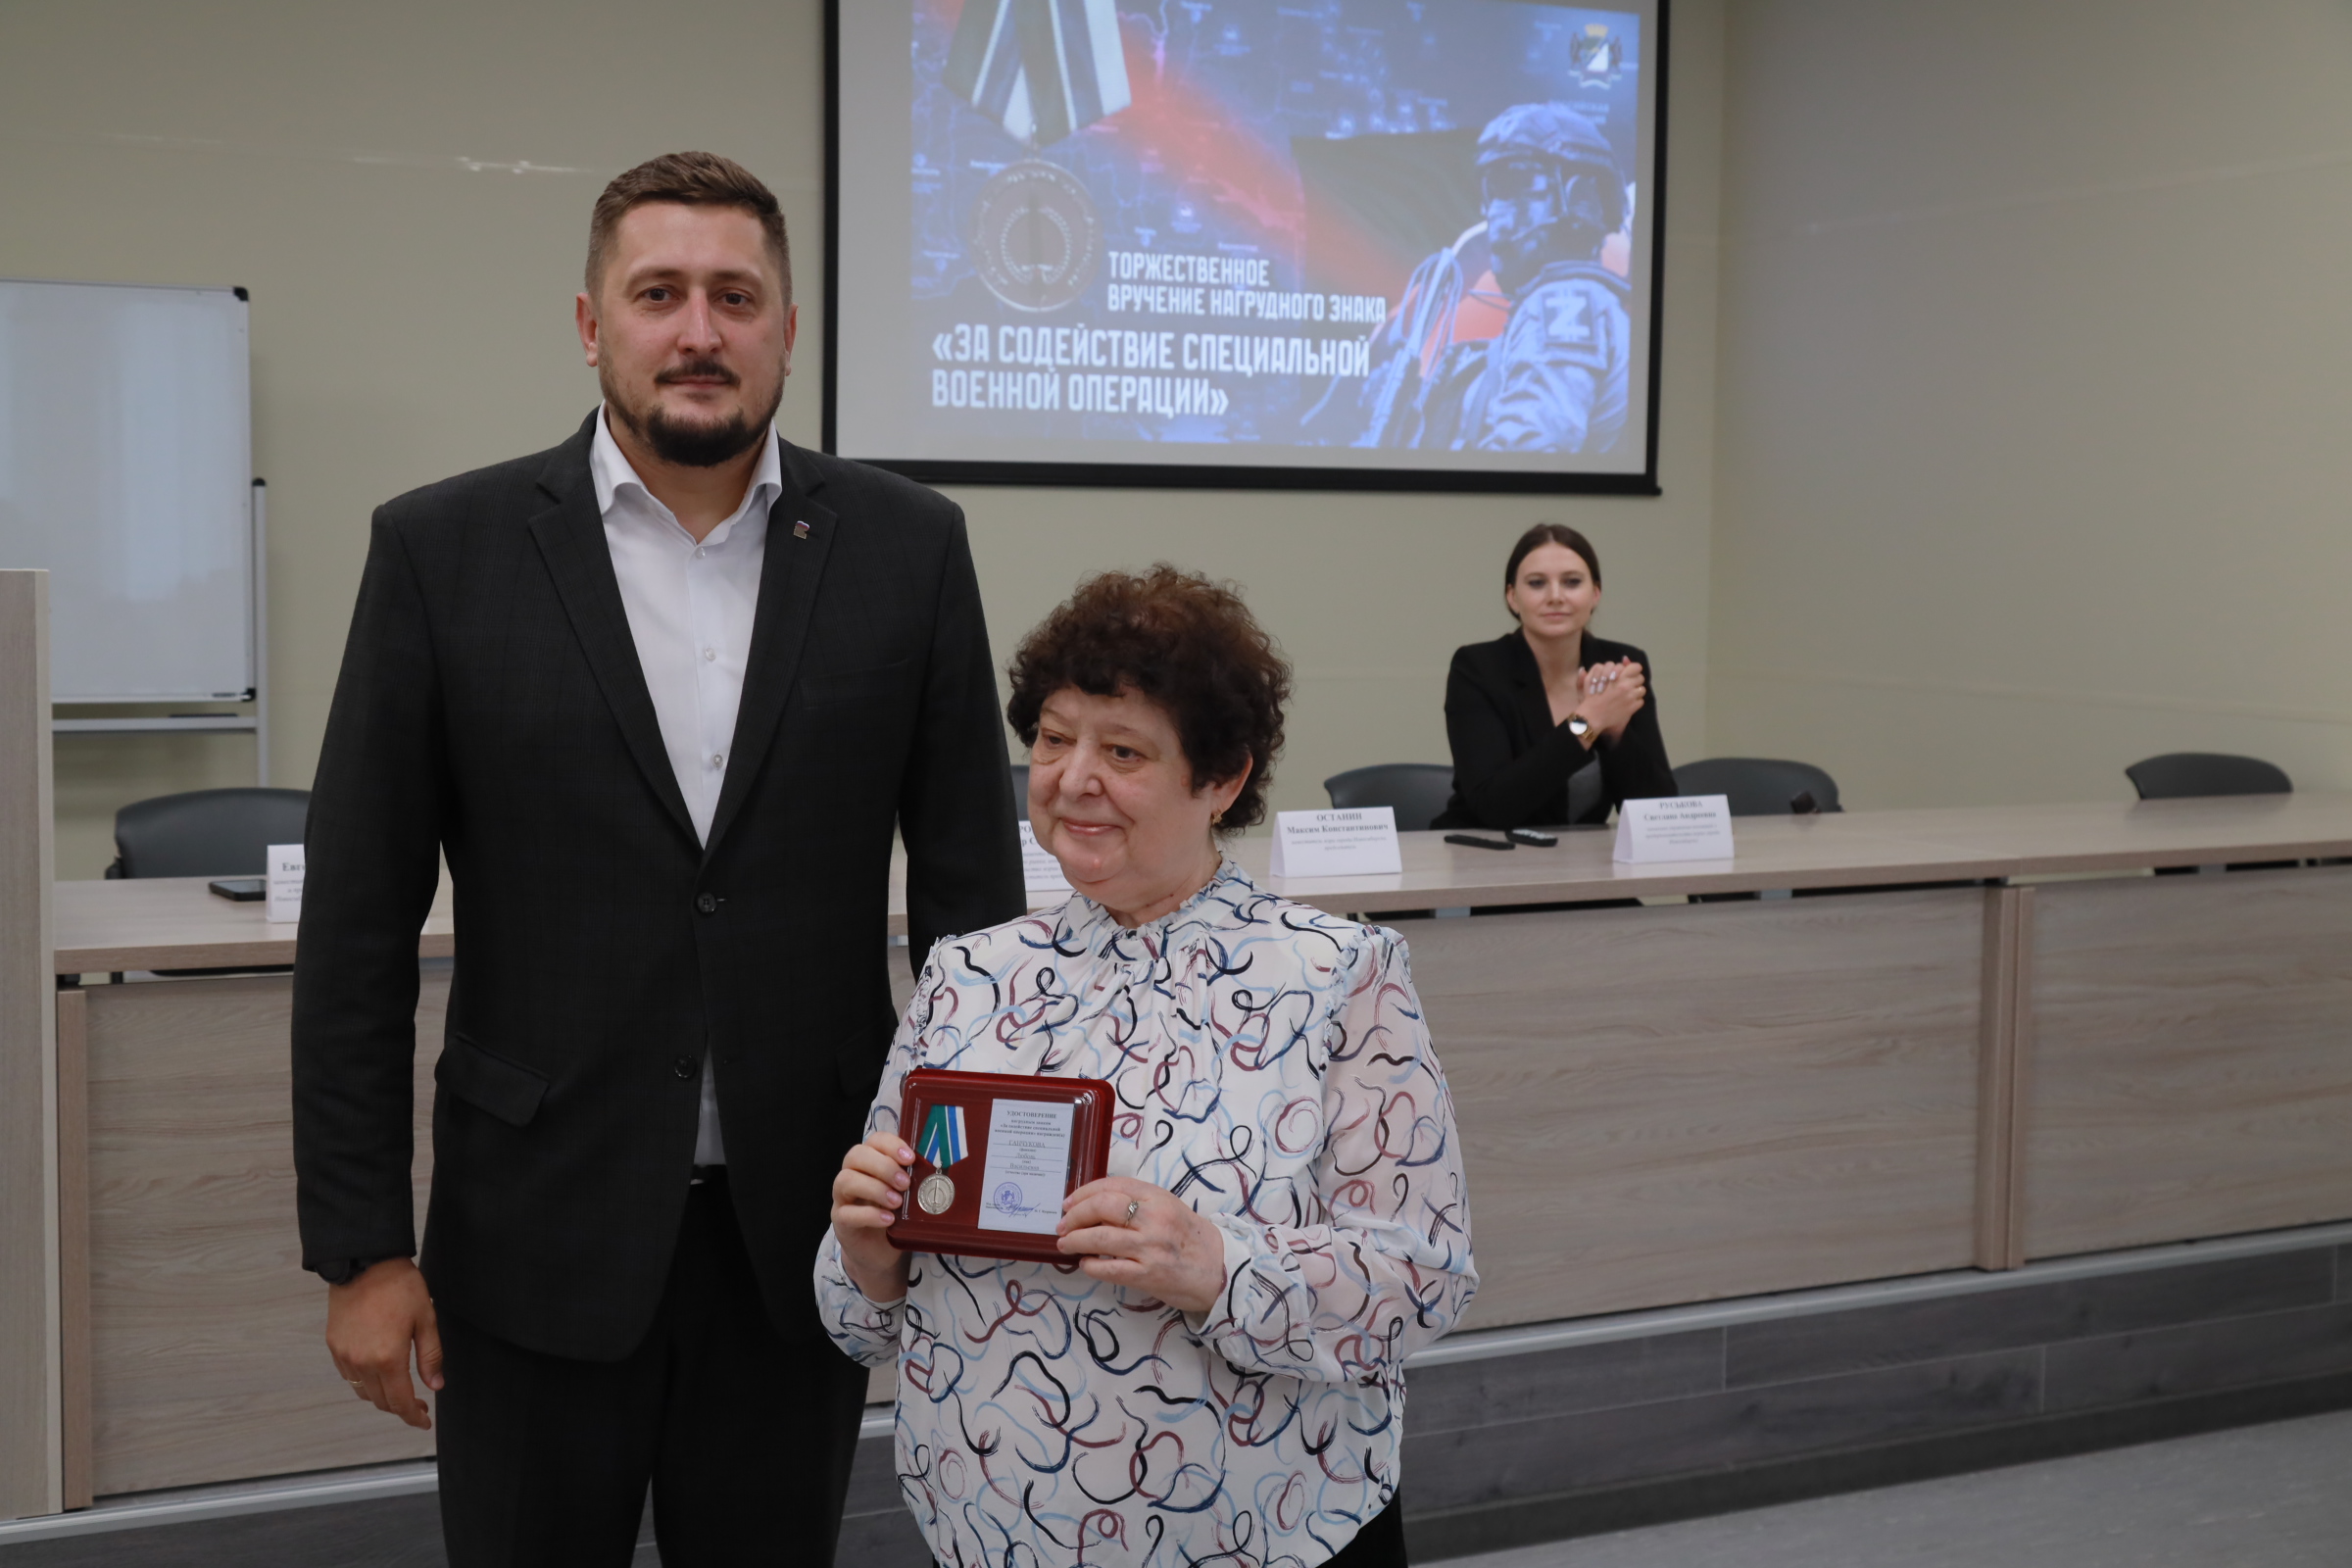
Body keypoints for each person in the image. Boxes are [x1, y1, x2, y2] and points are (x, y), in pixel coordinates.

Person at [291, 151, 1024, 1566]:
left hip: (807, 1240)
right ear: (591, 324)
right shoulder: (442, 551)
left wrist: (963, 1198)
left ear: (787, 330)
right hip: (529, 1242)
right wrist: (364, 1249)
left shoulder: (909, 547)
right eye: (659, 294)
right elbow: (358, 931)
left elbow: (972, 921)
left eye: (736, 297)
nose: (700, 330)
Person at [817, 566, 1477, 1567]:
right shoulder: (969, 975)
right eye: (1053, 739)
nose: (1072, 777)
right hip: (992, 1536)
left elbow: (1422, 1280)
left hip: (1262, 1536)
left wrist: (1218, 1267)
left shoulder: (1336, 976)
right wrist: (868, 1257)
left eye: (1123, 750)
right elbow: (857, 1314)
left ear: (1222, 779)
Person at [1434, 522, 1673, 831]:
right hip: (1486, 850)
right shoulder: (1478, 668)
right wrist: (1589, 720)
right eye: (1537, 583)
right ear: (1512, 597)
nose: (1555, 596)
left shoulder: (1622, 665)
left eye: (1572, 582)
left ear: (1595, 594)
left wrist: (1616, 733)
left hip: (1583, 854)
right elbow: (1495, 807)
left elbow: (1659, 812)